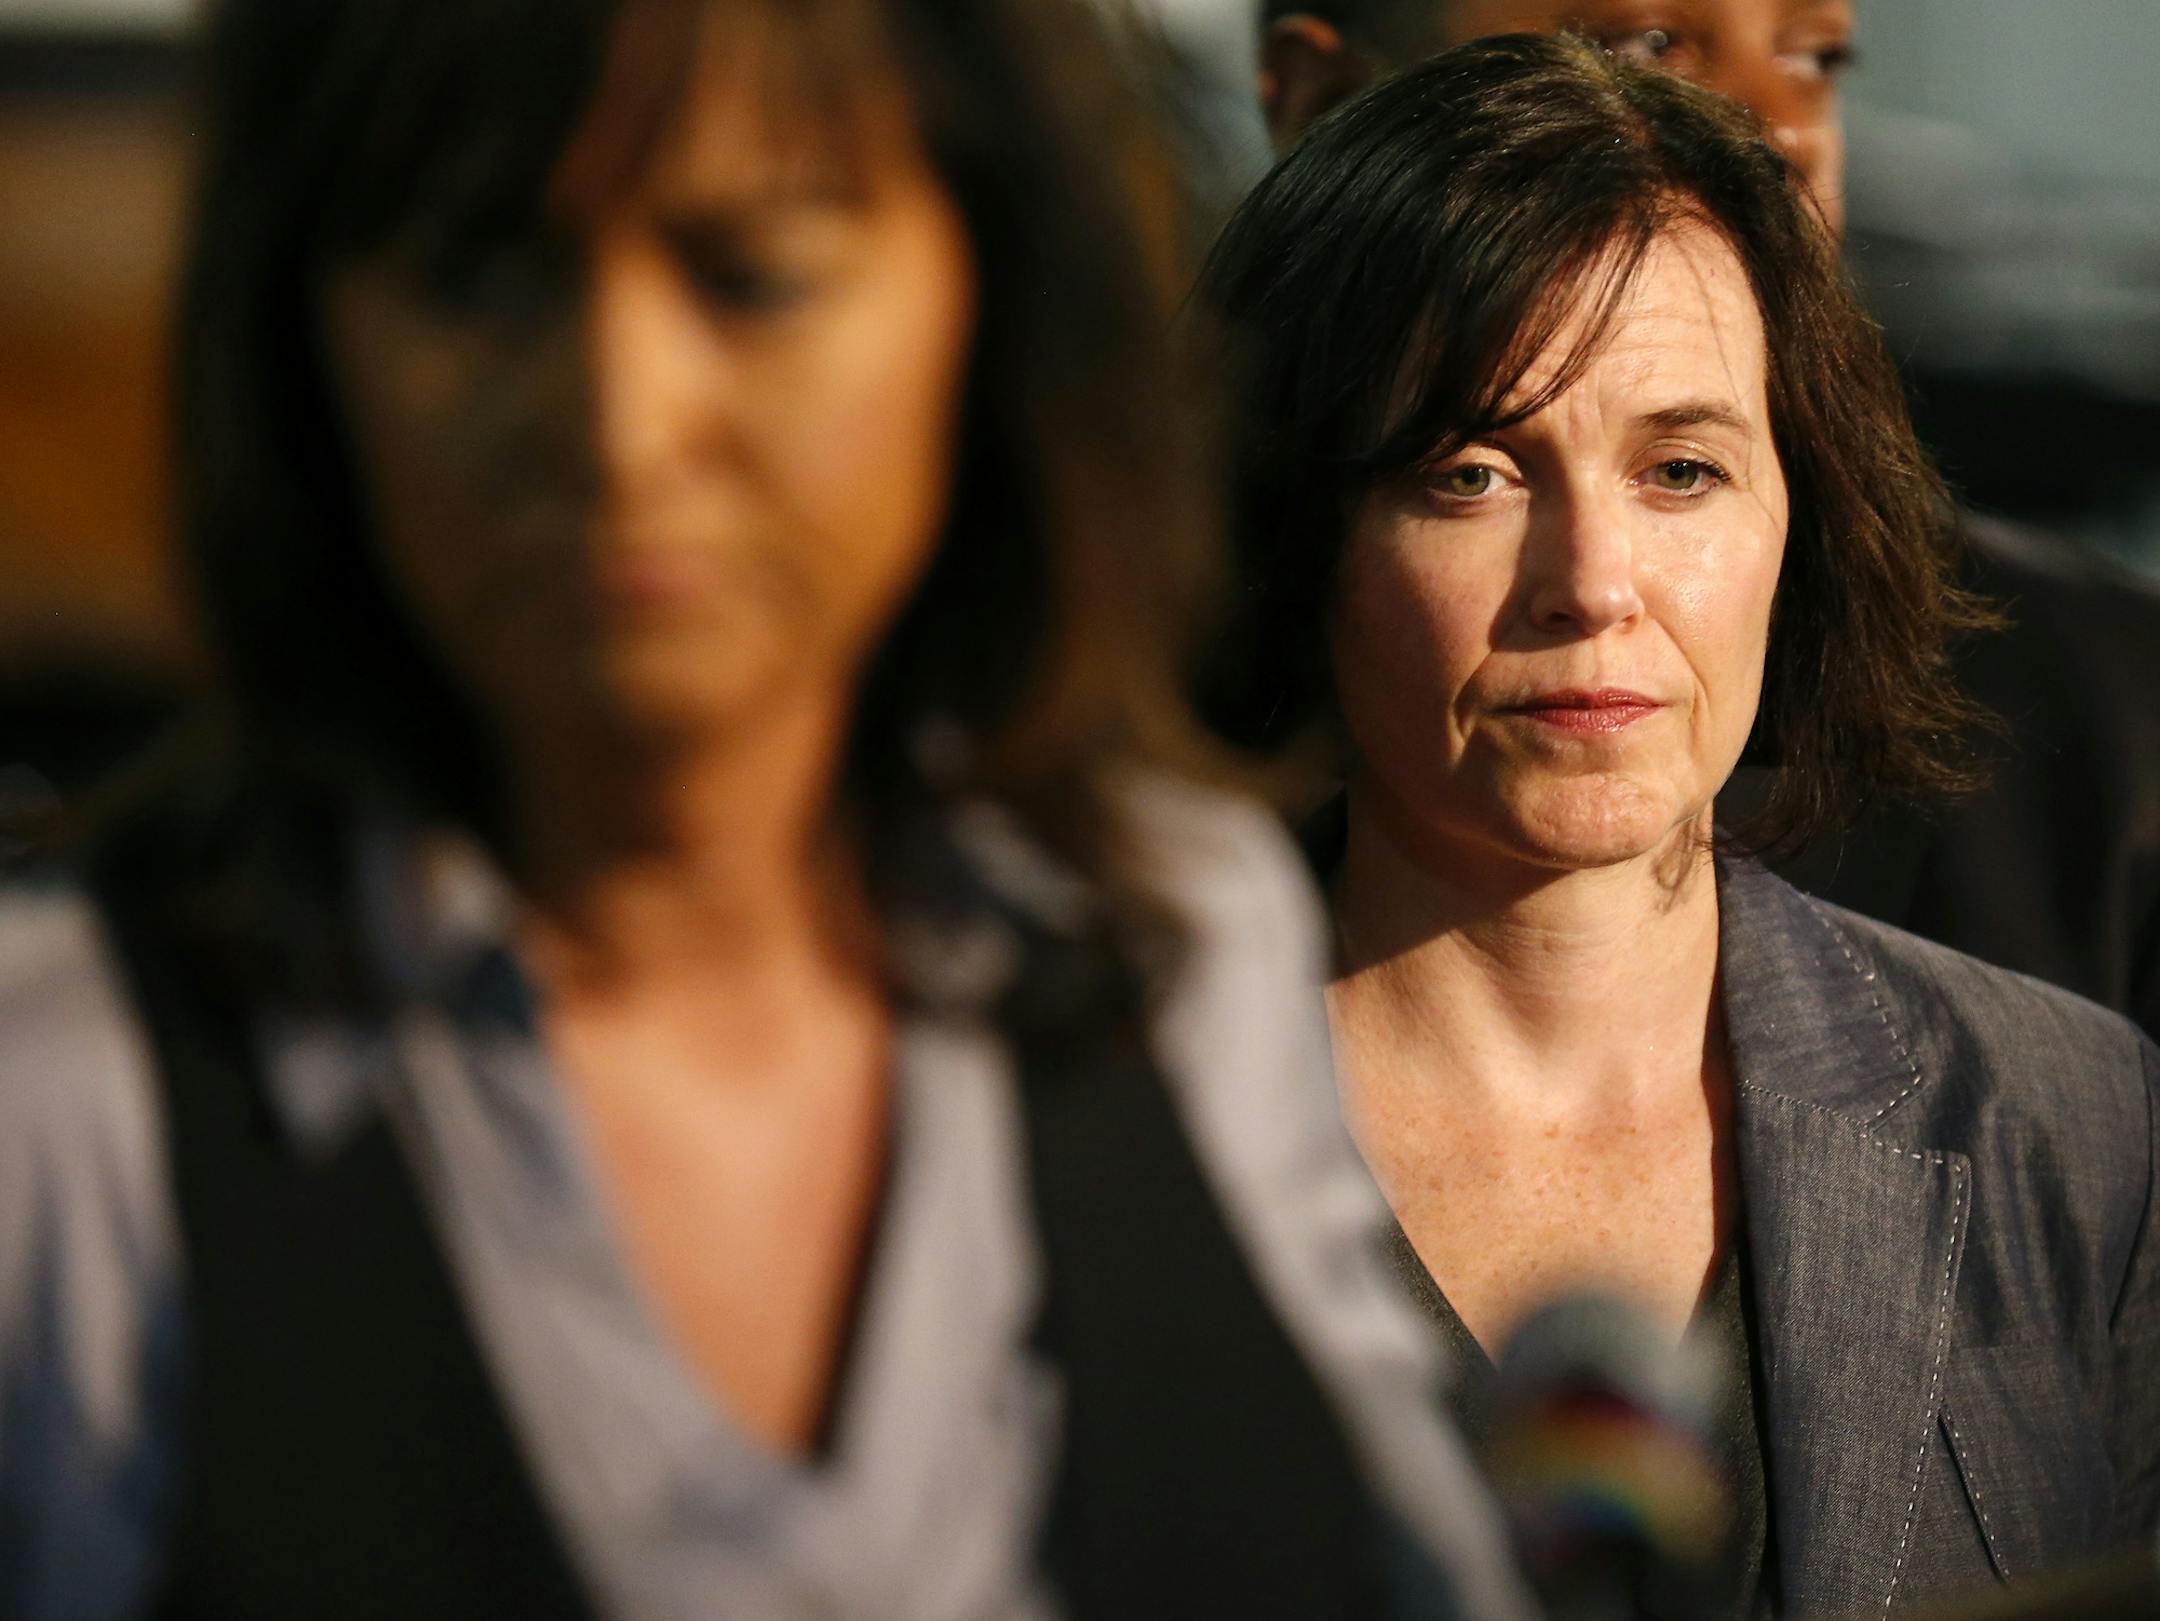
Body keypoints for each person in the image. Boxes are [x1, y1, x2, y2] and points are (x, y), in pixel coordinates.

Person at [0, 2, 1534, 1618]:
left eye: (752, 277)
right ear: (305, 338)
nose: (620, 420)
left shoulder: (1171, 950)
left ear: (988, 293)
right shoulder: (71, 1106)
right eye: (477, 271)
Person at [1198, 34, 2160, 1617]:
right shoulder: (1102, 1117)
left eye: (1684, 468)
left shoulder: (2075, 1124)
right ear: (1304, 534)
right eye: (1472, 473)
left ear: (1804, 512)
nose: (1593, 581)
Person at [1249, 0, 2160, 1039]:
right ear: (1320, 100)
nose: (1770, 134)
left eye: (1811, 60)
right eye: (1643, 48)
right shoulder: (1095, 786)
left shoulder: (2108, 738)